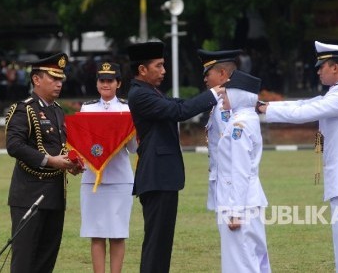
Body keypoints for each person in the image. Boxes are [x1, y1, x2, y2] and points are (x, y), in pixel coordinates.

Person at [257, 41, 338, 273]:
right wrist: (266, 105)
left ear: (335, 68)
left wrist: (265, 110)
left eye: (321, 66)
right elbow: (306, 103)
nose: (317, 70)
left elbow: (305, 112)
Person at [126, 41, 225, 273]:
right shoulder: (140, 94)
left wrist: (207, 98)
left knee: (162, 243)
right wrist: (212, 93)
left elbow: (177, 104)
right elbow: (178, 112)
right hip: (156, 176)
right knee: (156, 243)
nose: (164, 71)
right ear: (142, 70)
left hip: (163, 177)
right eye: (159, 66)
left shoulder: (150, 91)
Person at [5, 52, 83, 273]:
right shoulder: (24, 109)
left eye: (60, 79)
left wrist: (71, 164)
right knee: (25, 259)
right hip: (30, 194)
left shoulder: (57, 110)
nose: (59, 84)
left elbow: (61, 148)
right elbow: (14, 146)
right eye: (53, 78)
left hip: (55, 195)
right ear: (36, 79)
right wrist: (50, 161)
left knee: (46, 259)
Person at [79, 62, 137, 273]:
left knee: (118, 233)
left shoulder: (127, 108)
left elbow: (133, 148)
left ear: (118, 83)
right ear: (97, 84)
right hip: (92, 178)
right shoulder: (87, 108)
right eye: (102, 80)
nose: (105, 84)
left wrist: (131, 135)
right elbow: (83, 143)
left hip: (120, 178)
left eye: (110, 80)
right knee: (96, 233)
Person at [216, 70, 271, 273]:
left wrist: (235, 212)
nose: (222, 95)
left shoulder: (239, 125)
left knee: (241, 263)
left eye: (226, 92)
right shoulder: (247, 119)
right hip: (248, 199)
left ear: (239, 94)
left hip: (240, 203)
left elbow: (240, 170)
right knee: (254, 259)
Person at [197, 49, 242, 211]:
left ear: (222, 73)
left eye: (208, 74)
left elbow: (231, 142)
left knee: (230, 228)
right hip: (222, 174)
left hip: (228, 176)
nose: (205, 79)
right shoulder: (220, 101)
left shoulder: (226, 104)